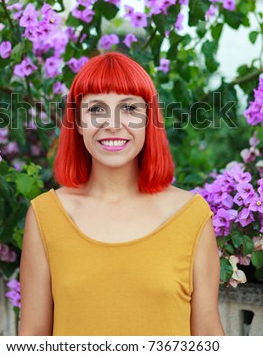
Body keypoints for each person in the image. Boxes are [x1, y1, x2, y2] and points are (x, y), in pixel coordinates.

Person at [19, 51, 225, 336]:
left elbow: (208, 336)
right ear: (77, 122)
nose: (113, 124)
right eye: (96, 109)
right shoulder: (45, 216)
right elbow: (32, 340)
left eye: (129, 108)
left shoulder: (191, 215)